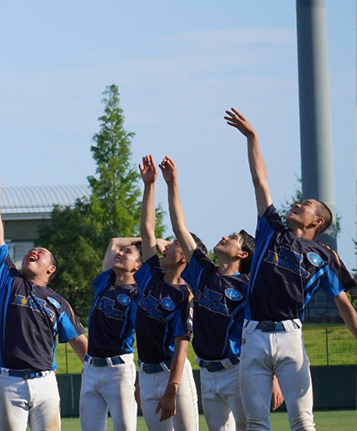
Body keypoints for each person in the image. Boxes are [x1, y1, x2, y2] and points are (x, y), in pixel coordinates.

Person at [225, 108, 357, 431]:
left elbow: (344, 306)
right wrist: (252, 137)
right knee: (256, 422)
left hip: (290, 337)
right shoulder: (271, 228)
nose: (299, 204)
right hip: (253, 334)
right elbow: (260, 180)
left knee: (302, 421)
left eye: (307, 205)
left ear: (318, 221)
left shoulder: (323, 256)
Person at [159, 155, 284, 431]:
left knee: (250, 427)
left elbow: (264, 332)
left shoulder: (248, 287)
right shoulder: (203, 272)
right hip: (207, 371)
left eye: (232, 238)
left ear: (242, 254)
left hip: (238, 371)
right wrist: (172, 183)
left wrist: (273, 376)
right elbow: (179, 227)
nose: (224, 237)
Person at [0, 172, 88, 431]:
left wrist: (99, 371)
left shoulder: (58, 302)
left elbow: (79, 341)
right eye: (33, 250)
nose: (35, 252)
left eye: (42, 254)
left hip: (45, 384)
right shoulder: (8, 280)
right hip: (7, 383)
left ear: (51, 270)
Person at [134, 155, 198, 431]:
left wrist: (173, 387)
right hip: (146, 373)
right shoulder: (151, 276)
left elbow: (182, 343)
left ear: (184, 257)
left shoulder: (185, 295)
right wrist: (149, 186)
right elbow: (147, 230)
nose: (164, 247)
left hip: (173, 374)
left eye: (171, 245)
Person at [78, 237, 141, 431]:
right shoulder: (105, 283)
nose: (120, 253)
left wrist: (148, 243)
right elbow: (114, 242)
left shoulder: (138, 293)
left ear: (138, 267)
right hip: (90, 368)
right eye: (122, 252)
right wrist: (140, 240)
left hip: (118, 370)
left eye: (128, 252)